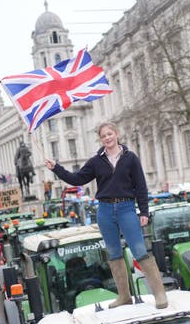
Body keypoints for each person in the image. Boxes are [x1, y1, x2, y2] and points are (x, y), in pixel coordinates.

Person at [45, 122, 168, 309]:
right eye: (103, 136)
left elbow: (141, 186)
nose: (107, 138)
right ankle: (124, 296)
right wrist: (56, 168)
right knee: (113, 253)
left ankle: (160, 294)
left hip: (127, 208)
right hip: (104, 210)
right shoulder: (96, 161)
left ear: (116, 134)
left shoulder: (131, 158)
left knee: (139, 249)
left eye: (110, 134)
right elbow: (77, 179)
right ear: (101, 139)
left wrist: (144, 211)